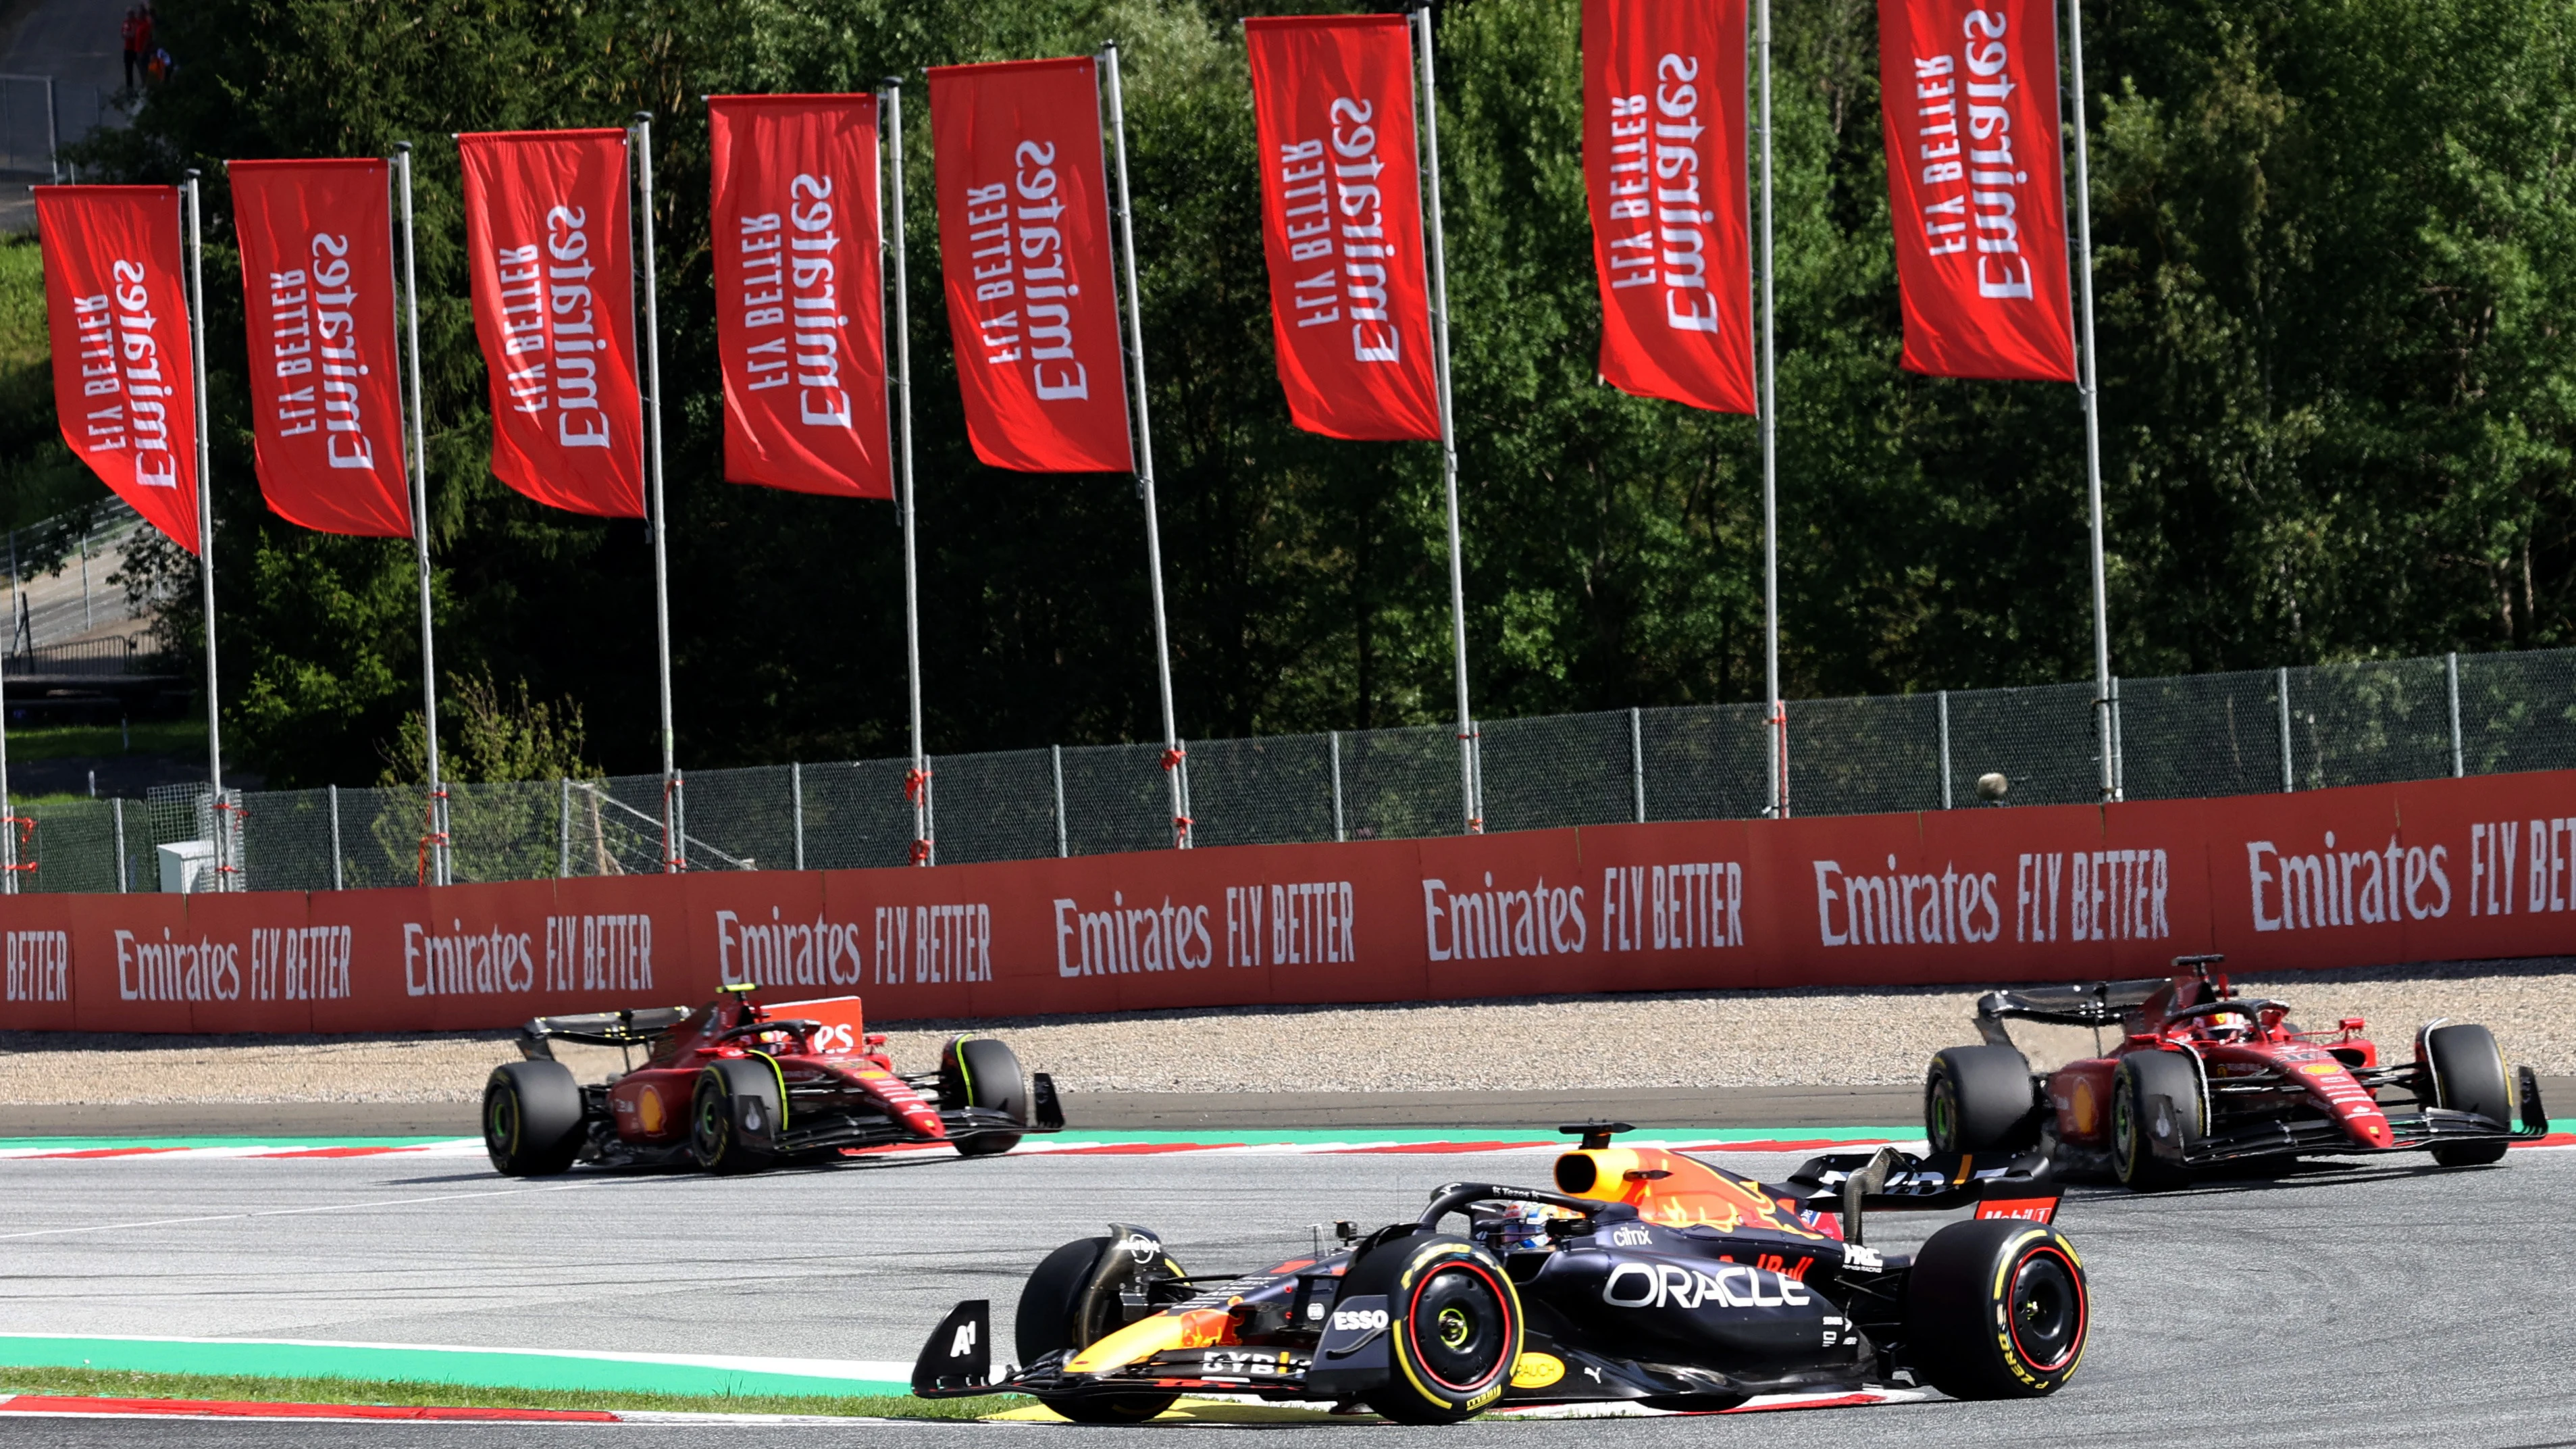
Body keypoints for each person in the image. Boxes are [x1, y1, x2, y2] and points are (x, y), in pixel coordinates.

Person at [119, 8, 144, 89]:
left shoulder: (137, 22)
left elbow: (135, 34)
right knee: (128, 70)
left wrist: (130, 35)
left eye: (131, 14)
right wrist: (130, 35)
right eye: (128, 14)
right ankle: (130, 88)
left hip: (136, 49)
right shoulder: (126, 23)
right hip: (128, 49)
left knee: (141, 68)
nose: (129, 16)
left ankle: (144, 85)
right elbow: (124, 34)